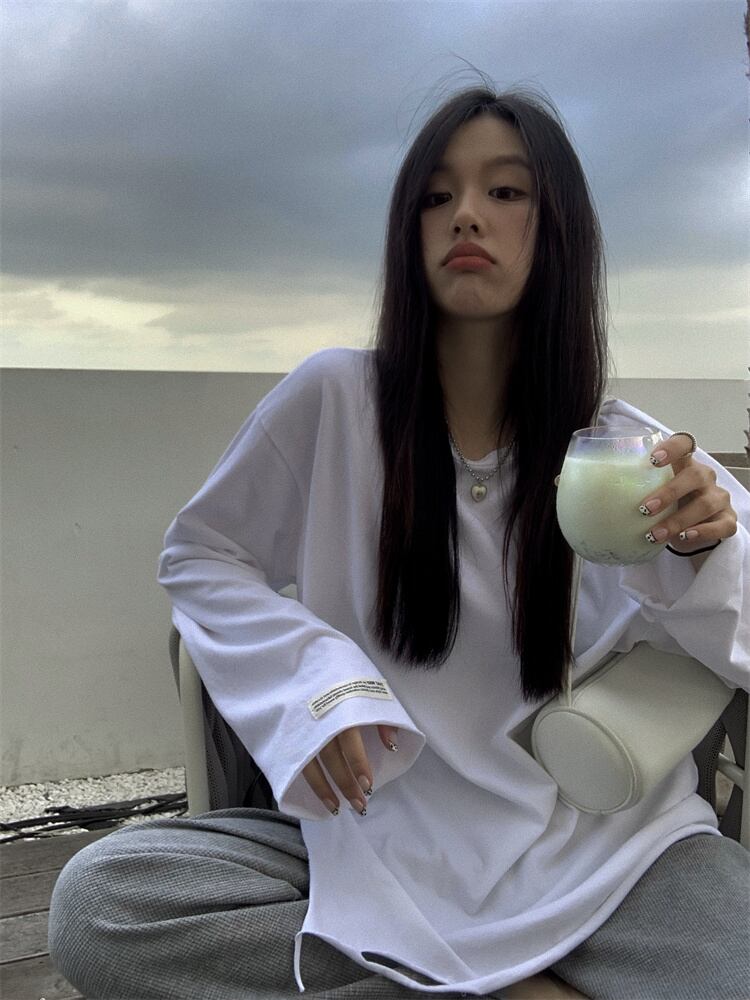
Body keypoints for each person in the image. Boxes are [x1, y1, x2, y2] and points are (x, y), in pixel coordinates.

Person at [48, 83, 748, 1000]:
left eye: (506, 191)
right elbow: (202, 555)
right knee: (103, 906)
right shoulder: (333, 403)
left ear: (560, 231)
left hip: (606, 857)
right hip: (380, 835)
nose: (466, 214)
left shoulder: (625, 454)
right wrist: (320, 679)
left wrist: (703, 554)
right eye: (436, 195)